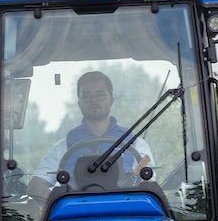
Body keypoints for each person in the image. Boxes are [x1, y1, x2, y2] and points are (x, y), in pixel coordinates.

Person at [27, 71, 153, 199]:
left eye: (100, 94)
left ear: (111, 100)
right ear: (79, 103)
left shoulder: (135, 144)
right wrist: (61, 206)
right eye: (86, 96)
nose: (94, 100)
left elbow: (148, 185)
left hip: (127, 214)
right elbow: (36, 185)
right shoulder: (62, 148)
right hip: (75, 215)